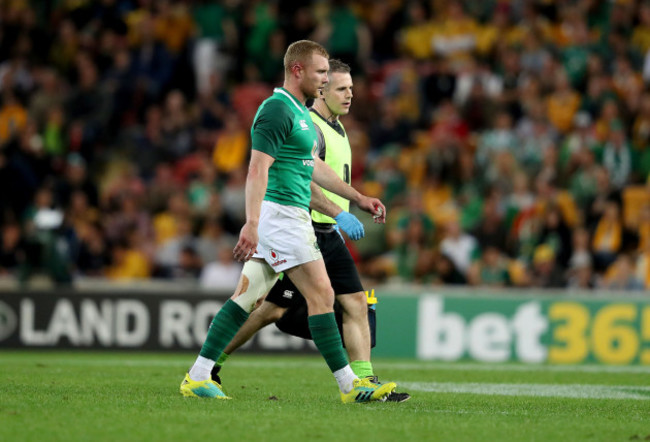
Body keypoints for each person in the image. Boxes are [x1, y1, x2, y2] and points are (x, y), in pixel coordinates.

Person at [180, 40, 395, 403]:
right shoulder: (277, 110)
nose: (326, 80)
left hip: (284, 215)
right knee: (323, 295)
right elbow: (257, 168)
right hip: (282, 215)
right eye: (321, 72)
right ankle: (350, 385)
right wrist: (252, 222)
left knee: (247, 299)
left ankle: (198, 375)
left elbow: (314, 168)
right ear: (298, 70)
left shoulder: (298, 114)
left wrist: (356, 198)